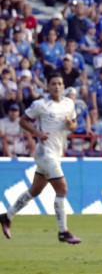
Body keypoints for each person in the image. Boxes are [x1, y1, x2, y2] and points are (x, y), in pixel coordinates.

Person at [1, 75, 81, 243]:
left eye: (59, 84)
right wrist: (38, 134)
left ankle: (7, 216)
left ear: (64, 86)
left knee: (35, 190)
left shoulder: (69, 103)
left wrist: (70, 125)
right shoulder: (41, 105)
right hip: (45, 154)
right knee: (62, 189)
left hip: (56, 153)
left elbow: (74, 125)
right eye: (53, 84)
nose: (57, 87)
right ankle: (63, 232)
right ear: (47, 87)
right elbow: (23, 121)